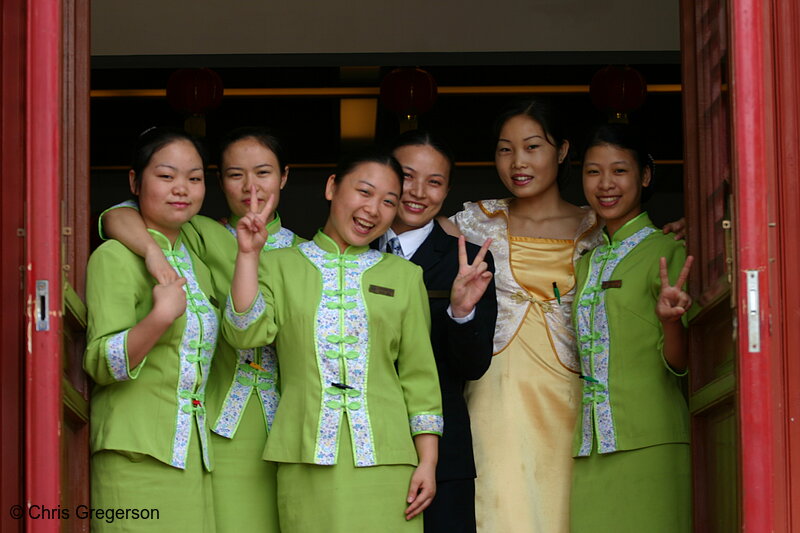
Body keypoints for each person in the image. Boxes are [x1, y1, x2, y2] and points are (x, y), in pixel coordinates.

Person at [223, 148, 443, 533]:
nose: (373, 210)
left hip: (388, 461)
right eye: (364, 192)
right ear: (332, 188)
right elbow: (245, 333)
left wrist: (428, 461)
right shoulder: (279, 265)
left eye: (388, 201)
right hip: (304, 456)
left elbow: (419, 376)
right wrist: (247, 256)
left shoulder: (405, 276)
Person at [100, 126, 302, 533]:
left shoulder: (307, 253)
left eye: (263, 173)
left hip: (292, 423)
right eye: (233, 174)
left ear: (283, 177)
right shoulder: (199, 235)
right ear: (218, 181)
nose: (250, 187)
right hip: (211, 422)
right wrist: (154, 254)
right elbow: (117, 214)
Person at [445, 99, 603, 533]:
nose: (518, 162)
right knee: (500, 504)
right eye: (505, 149)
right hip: (497, 392)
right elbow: (408, 231)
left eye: (532, 147)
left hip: (574, 395)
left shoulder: (598, 228)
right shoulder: (476, 221)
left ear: (563, 150)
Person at [84, 127, 217, 532]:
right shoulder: (115, 257)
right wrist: (159, 318)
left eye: (194, 178)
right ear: (134, 182)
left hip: (193, 459)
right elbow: (101, 363)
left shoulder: (200, 264)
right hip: (133, 455)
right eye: (166, 176)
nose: (182, 188)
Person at [570, 123, 693, 533]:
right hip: (590, 448)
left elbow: (681, 365)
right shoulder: (586, 262)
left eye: (619, 171)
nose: (606, 184)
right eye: (593, 171)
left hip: (652, 440)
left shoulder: (668, 251)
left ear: (644, 175)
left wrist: (670, 324)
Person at [380, 130, 497, 533]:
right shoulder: (350, 248)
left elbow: (474, 365)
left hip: (443, 456)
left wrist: (460, 311)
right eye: (407, 176)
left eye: (434, 182)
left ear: (447, 192)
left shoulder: (467, 262)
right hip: (359, 446)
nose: (417, 192)